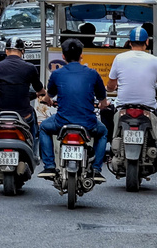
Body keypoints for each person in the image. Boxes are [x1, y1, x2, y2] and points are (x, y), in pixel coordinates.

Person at [37, 39, 109, 183]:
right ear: (81, 55)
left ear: (63, 56)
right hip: (88, 123)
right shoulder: (93, 74)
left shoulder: (57, 74)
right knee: (103, 132)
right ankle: (96, 169)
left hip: (62, 122)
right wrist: (103, 105)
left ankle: (50, 166)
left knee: (44, 128)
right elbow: (103, 100)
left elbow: (48, 96)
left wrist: (48, 101)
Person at [104, 26, 157, 149]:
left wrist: (111, 88)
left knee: (104, 112)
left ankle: (110, 142)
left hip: (122, 105)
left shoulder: (119, 58)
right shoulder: (155, 61)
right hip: (148, 106)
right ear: (147, 42)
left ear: (129, 42)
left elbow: (111, 86)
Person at [0, 38, 44, 139]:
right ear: (23, 51)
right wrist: (43, 95)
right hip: (24, 114)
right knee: (34, 134)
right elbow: (39, 90)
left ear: (6, 51)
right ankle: (34, 153)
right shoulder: (30, 68)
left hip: (1, 114)